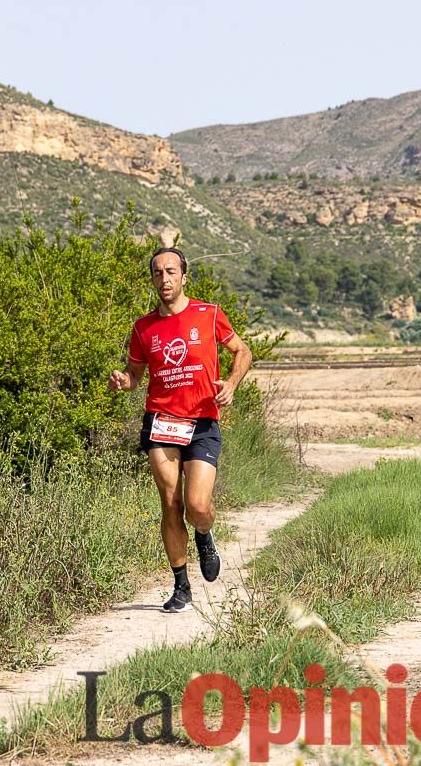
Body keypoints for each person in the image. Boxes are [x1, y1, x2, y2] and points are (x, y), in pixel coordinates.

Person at [108, 247, 253, 613]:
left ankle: (204, 535)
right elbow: (136, 377)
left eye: (171, 271)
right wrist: (123, 381)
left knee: (198, 505)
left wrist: (231, 385)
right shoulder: (143, 328)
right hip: (162, 421)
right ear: (153, 279)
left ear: (184, 276)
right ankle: (180, 586)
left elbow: (243, 352)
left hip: (202, 421)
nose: (164, 279)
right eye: (158, 273)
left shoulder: (209, 314)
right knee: (170, 503)